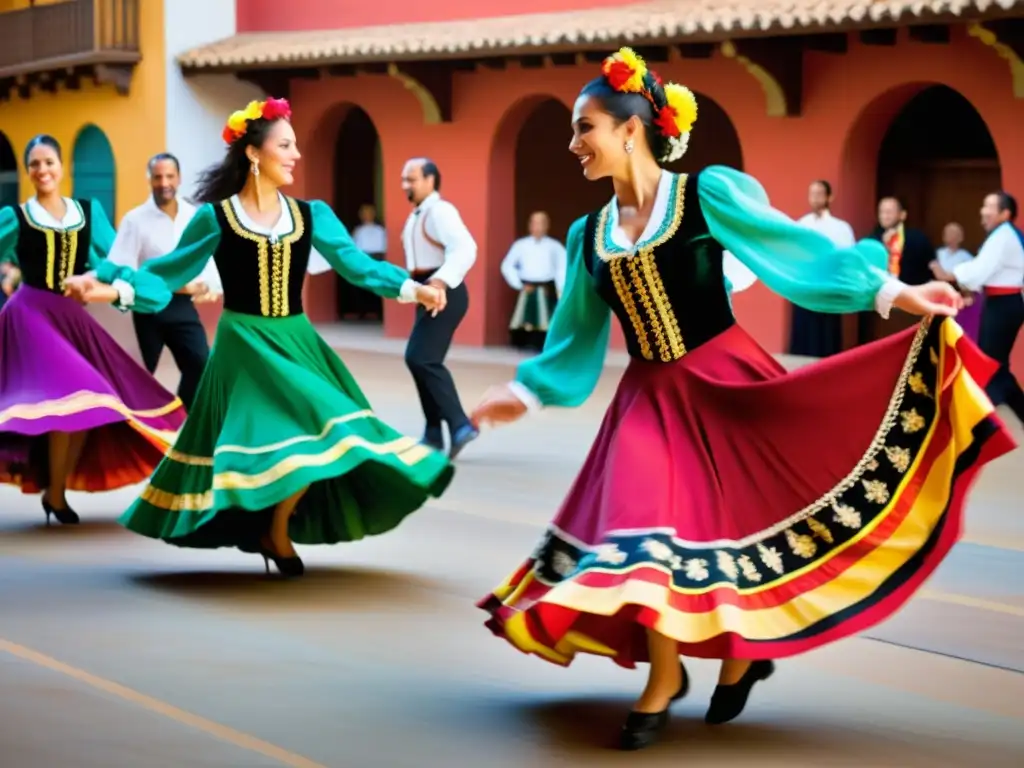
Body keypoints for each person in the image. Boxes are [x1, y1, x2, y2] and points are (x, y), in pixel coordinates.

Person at [470, 49, 1016, 751]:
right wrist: (525, 391)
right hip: (647, 399)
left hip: (727, 382)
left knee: (724, 526)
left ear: (632, 129)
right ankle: (665, 678)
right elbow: (574, 336)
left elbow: (794, 254)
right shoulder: (587, 234)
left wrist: (896, 294)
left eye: (586, 127)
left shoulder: (706, 195)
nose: (574, 143)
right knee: (645, 529)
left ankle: (741, 653)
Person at [65, 99, 453, 577]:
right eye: (285, 146)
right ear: (254, 154)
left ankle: (277, 524)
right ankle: (269, 528)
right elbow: (167, 274)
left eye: (295, 146)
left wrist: (414, 288)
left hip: (295, 340)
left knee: (325, 426)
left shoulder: (312, 216)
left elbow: (358, 265)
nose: (295, 155)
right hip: (242, 345)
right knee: (268, 437)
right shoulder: (217, 218)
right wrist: (106, 287)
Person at [0, 134, 187, 525]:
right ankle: (56, 491)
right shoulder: (16, 217)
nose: (42, 170)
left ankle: (57, 489)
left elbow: (114, 260)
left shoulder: (87, 212)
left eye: (48, 162)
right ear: (28, 171)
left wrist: (103, 283)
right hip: (31, 314)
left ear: (62, 166)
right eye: (34, 164)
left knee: (97, 401)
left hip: (69, 316)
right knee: (75, 393)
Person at [105, 152, 221, 410]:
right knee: (138, 376)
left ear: (178, 178)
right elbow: (123, 268)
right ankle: (132, 432)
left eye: (169, 176)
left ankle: (178, 420)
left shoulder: (194, 216)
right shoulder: (135, 220)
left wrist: (209, 285)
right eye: (158, 177)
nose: (164, 182)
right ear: (150, 180)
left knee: (200, 365)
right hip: (147, 310)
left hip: (182, 308)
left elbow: (205, 257)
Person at [399, 157, 479, 458]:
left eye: (412, 179)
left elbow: (466, 248)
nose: (406, 185)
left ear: (431, 180)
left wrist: (440, 283)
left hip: (444, 291)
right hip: (427, 291)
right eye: (404, 179)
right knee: (421, 359)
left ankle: (459, 425)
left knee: (421, 358)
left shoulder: (440, 211)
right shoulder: (418, 214)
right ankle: (434, 433)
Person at [932, 192, 1024, 426]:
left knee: (988, 364)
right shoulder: (1002, 235)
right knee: (995, 366)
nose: (983, 211)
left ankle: (977, 424)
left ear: (1005, 214)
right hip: (1001, 304)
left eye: (989, 207)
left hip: (1004, 305)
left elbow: (980, 270)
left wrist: (949, 274)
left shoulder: (1003, 236)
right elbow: (981, 269)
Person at [790, 180, 855, 357]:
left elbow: (847, 257)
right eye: (812, 193)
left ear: (829, 197)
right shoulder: (801, 224)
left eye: (819, 193)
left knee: (827, 335)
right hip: (805, 285)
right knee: (803, 333)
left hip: (829, 285)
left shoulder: (841, 227)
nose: (815, 197)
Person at [501, 210, 567, 350]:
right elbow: (507, 266)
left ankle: (542, 345)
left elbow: (563, 267)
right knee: (523, 318)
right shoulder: (520, 245)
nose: (537, 227)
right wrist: (518, 284)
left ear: (547, 225)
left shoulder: (554, 246)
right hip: (527, 287)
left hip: (546, 288)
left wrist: (560, 288)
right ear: (529, 225)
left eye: (541, 223)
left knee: (546, 319)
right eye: (534, 223)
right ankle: (521, 345)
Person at [931, 222, 981, 342]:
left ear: (961, 238)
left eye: (954, 234)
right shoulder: (937, 254)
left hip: (957, 296)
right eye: (947, 233)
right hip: (937, 296)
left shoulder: (966, 258)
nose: (950, 236)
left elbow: (969, 280)